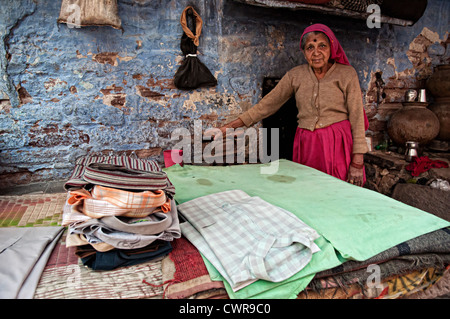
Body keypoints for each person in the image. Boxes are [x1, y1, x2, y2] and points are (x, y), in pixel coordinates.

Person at [217, 23, 369, 187]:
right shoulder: (295, 75)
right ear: (304, 53)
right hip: (307, 144)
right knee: (306, 189)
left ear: (332, 48)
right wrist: (233, 125)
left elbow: (357, 116)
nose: (316, 53)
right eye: (310, 47)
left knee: (337, 190)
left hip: (336, 142)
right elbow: (268, 104)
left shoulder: (346, 74)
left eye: (322, 46)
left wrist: (357, 160)